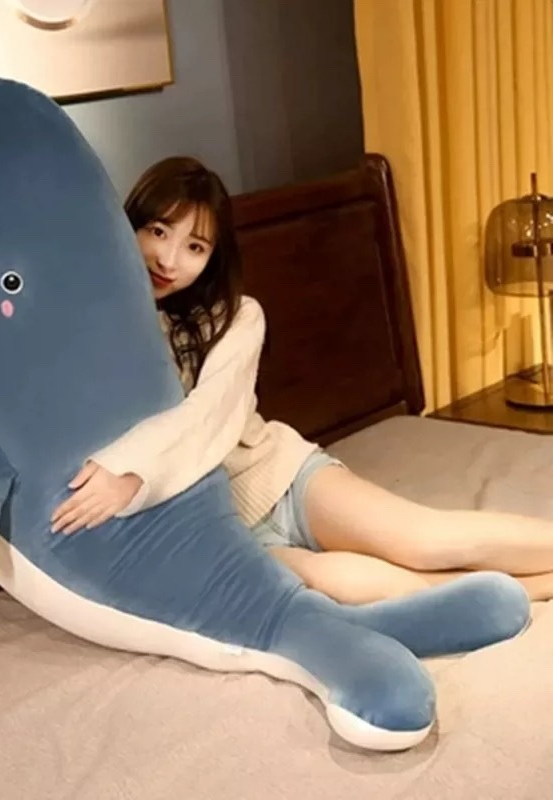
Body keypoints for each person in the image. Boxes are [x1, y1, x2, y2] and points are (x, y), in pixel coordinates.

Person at [50, 155, 553, 604]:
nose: (168, 259)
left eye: (194, 246)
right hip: (223, 526)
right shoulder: (103, 326)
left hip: (280, 477)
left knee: (424, 541)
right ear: (129, 226)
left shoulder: (238, 316)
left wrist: (130, 471)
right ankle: (528, 589)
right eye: (158, 232)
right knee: (333, 586)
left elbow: (208, 414)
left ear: (213, 257)